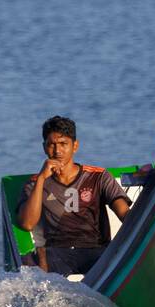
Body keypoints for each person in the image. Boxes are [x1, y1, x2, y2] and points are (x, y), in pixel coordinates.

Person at [16, 116, 131, 276]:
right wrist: (42, 178)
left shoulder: (98, 176)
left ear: (75, 146)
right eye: (51, 145)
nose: (57, 151)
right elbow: (27, 224)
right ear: (44, 147)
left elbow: (125, 213)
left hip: (96, 251)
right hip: (57, 252)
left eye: (63, 144)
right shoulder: (35, 183)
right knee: (27, 264)